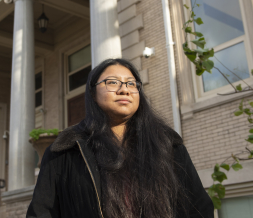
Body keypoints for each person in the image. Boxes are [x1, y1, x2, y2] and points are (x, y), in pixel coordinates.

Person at [26, 58, 214, 218]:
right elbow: (41, 212)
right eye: (113, 82)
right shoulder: (65, 150)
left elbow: (199, 208)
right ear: (92, 92)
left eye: (131, 84)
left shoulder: (167, 145)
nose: (124, 90)